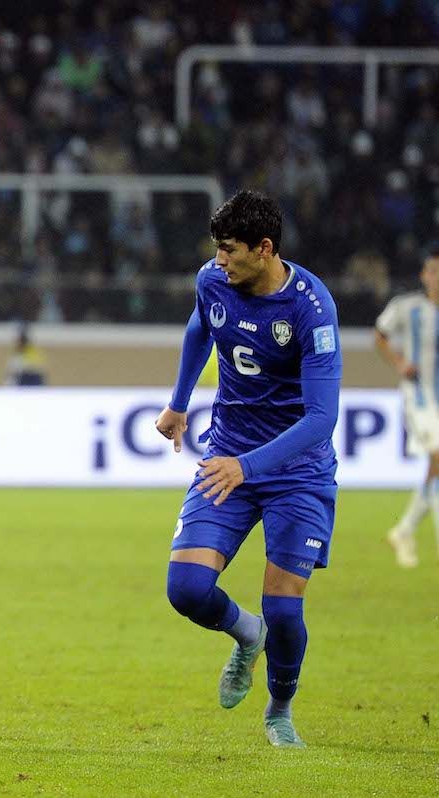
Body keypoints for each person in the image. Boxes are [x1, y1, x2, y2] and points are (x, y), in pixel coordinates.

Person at [154, 190, 342, 749]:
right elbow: (200, 329)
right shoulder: (214, 281)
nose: (220, 260)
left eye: (230, 250)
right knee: (186, 589)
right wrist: (179, 402)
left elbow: (322, 418)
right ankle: (246, 634)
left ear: (264, 249)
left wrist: (248, 465)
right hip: (228, 457)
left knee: (284, 608)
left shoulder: (311, 308)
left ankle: (279, 711)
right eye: (217, 248)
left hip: (297, 470)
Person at [374, 243, 439, 567]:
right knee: (438, 455)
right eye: (433, 271)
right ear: (424, 275)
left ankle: (404, 530)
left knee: (436, 466)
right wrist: (399, 362)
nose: (437, 278)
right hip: (420, 397)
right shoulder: (408, 306)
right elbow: (380, 334)